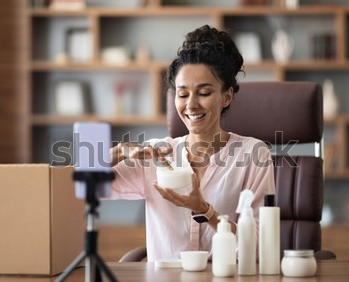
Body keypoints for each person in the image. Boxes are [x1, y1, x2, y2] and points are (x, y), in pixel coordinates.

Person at [109, 25, 275, 262]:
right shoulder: (156, 154)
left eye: (204, 93)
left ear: (226, 96)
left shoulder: (253, 154)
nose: (191, 105)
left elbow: (260, 248)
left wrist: (205, 211)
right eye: (183, 94)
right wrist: (118, 152)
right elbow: (78, 186)